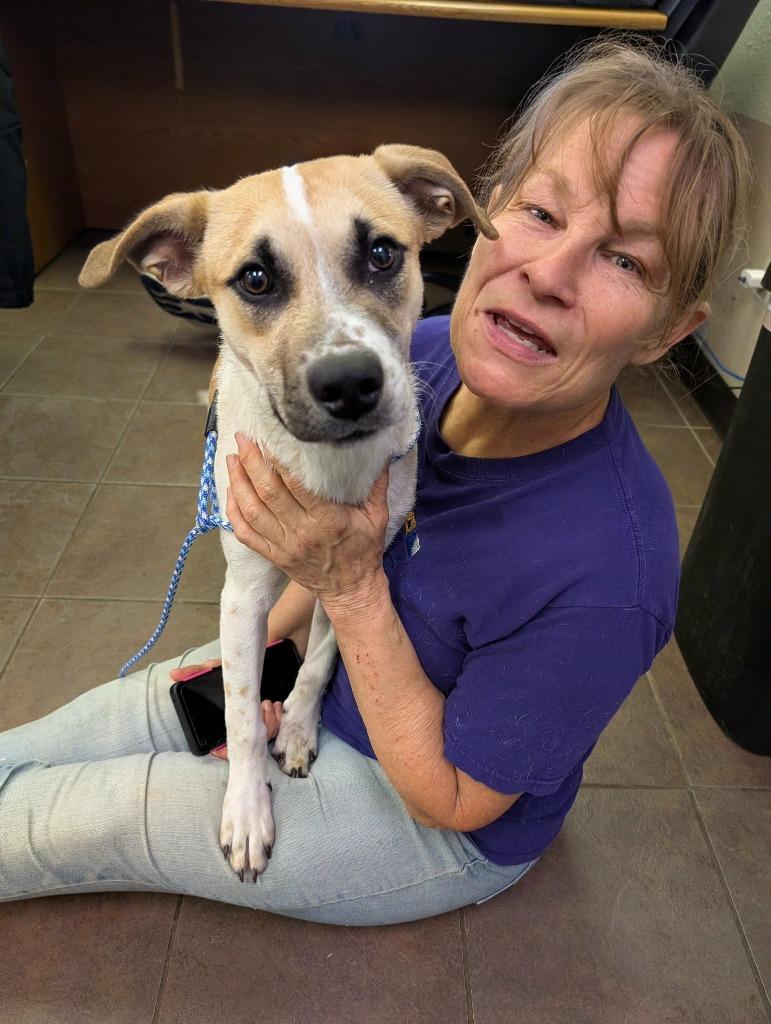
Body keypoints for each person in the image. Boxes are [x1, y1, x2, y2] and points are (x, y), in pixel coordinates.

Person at [0, 37, 751, 925]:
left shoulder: (611, 572)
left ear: (669, 330)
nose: (548, 275)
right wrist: (267, 678)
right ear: (482, 213)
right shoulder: (422, 361)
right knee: (52, 744)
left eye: (624, 260)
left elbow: (456, 800)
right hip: (316, 676)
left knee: (84, 818)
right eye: (544, 215)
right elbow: (292, 568)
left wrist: (347, 588)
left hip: (431, 819)